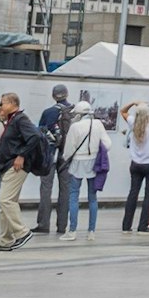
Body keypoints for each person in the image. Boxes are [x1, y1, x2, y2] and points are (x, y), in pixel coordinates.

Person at [0, 93, 39, 251]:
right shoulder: (12, 120)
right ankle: (6, 239)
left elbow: (35, 137)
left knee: (5, 200)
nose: (0, 107)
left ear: (13, 103)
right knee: (7, 202)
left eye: (3, 103)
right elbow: (8, 146)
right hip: (7, 166)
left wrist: (22, 155)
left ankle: (22, 232)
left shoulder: (20, 119)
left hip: (16, 167)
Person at [58, 101, 108, 241]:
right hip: (94, 163)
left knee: (73, 196)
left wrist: (66, 158)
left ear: (79, 114)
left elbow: (68, 150)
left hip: (78, 163)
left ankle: (72, 231)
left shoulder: (75, 127)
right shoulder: (98, 124)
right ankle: (91, 231)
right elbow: (107, 144)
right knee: (93, 198)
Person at [120, 101, 149, 234]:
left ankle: (126, 225)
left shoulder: (133, 122)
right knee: (148, 195)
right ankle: (142, 226)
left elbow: (122, 111)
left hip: (135, 164)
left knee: (133, 193)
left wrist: (133, 103)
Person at [33, 83, 70, 236]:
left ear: (54, 96)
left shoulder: (48, 112)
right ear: (67, 94)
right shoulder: (74, 112)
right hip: (68, 155)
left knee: (46, 189)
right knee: (66, 190)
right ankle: (62, 225)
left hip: (50, 155)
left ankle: (43, 224)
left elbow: (40, 132)